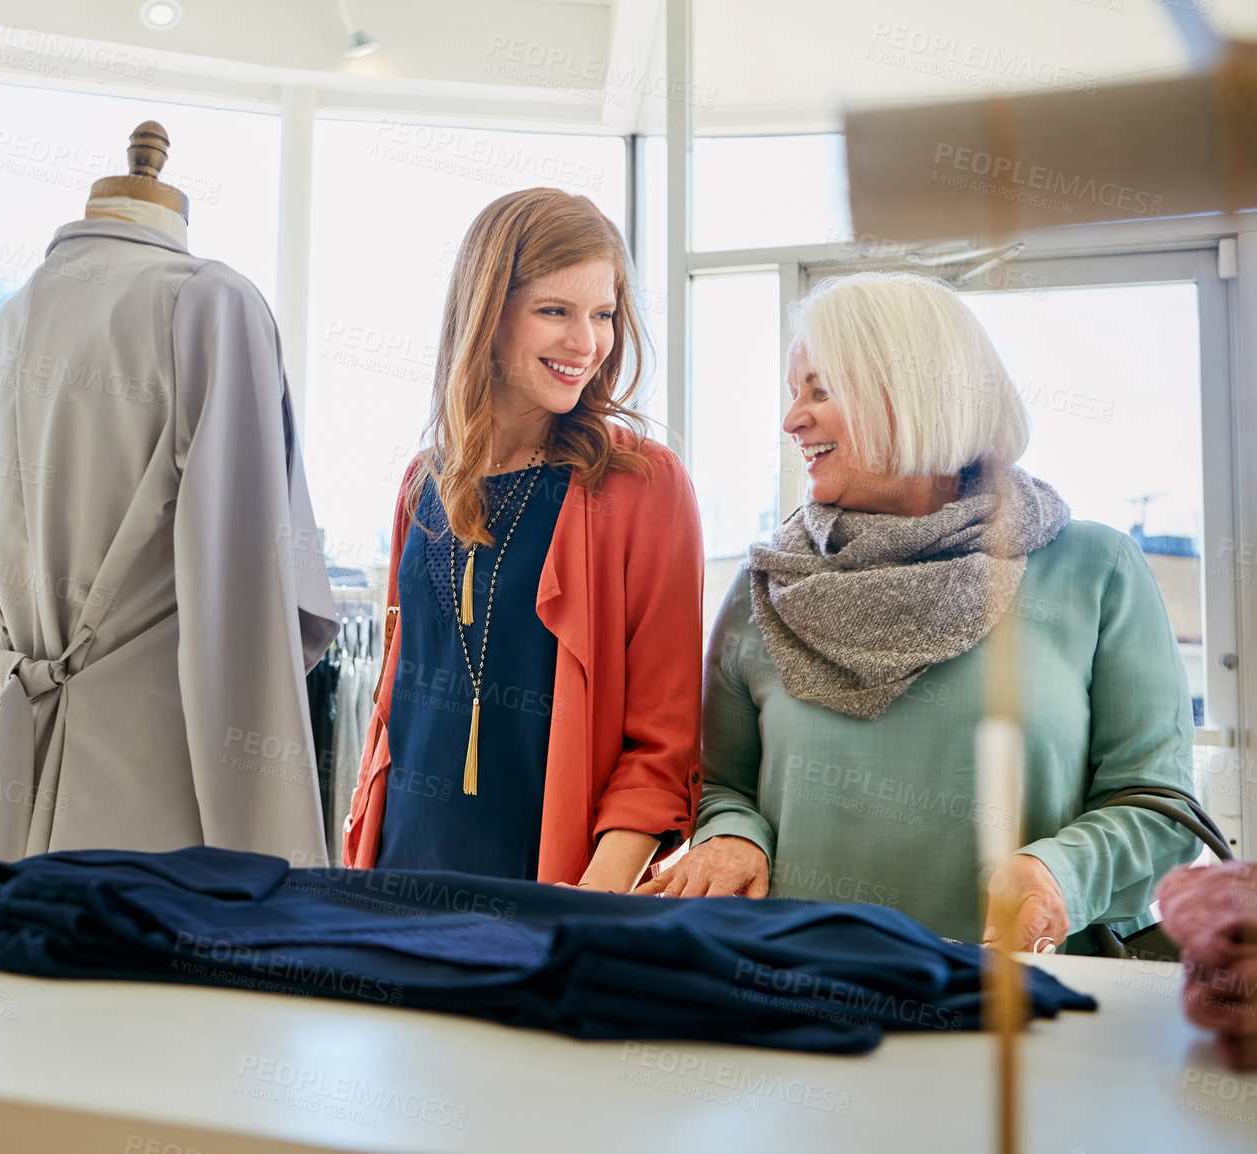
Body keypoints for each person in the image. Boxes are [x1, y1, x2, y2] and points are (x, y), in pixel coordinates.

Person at [637, 271, 1203, 954]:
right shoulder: (768, 588)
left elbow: (1159, 805)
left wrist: (1060, 874)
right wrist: (732, 836)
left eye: (820, 390)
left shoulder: (1095, 568)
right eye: (794, 394)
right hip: (800, 1001)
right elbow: (725, 787)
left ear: (912, 393)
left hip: (1028, 1013)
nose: (791, 420)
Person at [342, 187, 704, 891]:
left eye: (603, 314)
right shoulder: (422, 485)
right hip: (394, 880)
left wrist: (587, 908)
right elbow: (396, 710)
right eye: (554, 312)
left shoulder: (642, 486)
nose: (586, 343)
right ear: (487, 315)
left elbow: (663, 745)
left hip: (548, 900)